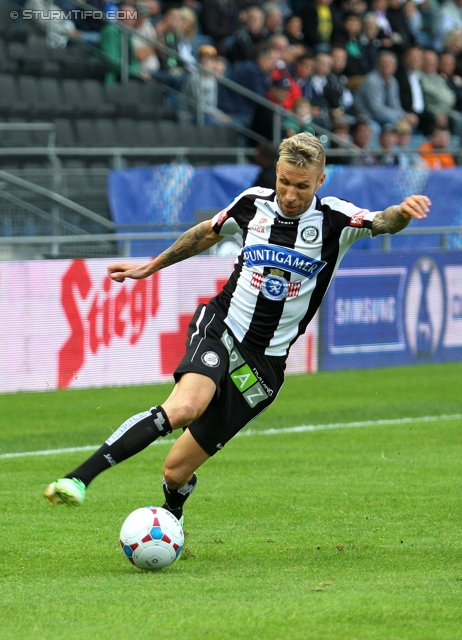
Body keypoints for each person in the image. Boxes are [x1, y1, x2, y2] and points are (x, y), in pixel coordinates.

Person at [44, 133, 432, 527]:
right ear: (276, 173)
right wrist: (150, 266)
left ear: (320, 182)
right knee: (184, 408)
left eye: (301, 185)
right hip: (222, 328)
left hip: (262, 371)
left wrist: (402, 210)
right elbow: (206, 233)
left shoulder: (336, 220)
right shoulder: (252, 204)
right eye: (284, 181)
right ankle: (78, 478)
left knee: (175, 472)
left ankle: (172, 518)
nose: (291, 194)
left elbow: (383, 221)